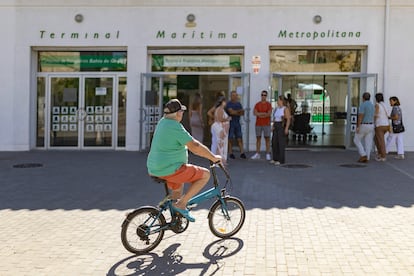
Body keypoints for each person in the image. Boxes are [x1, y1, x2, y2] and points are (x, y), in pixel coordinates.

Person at [147, 99, 222, 222]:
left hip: (155, 168)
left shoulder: (163, 122)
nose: (182, 114)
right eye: (181, 111)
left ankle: (174, 218)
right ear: (178, 114)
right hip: (170, 169)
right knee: (205, 175)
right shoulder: (175, 126)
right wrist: (213, 157)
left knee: (178, 190)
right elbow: (195, 147)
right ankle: (182, 204)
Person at [353, 92, 375, 163]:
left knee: (356, 140)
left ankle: (363, 154)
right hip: (371, 125)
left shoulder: (363, 105)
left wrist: (358, 126)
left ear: (363, 98)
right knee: (368, 142)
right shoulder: (372, 105)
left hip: (364, 125)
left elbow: (360, 116)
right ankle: (367, 158)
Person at [251, 90, 272, 161]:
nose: (263, 96)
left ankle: (268, 153)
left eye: (265, 95)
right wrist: (263, 114)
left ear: (266, 96)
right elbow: (254, 113)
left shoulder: (269, 104)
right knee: (258, 138)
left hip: (266, 124)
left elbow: (269, 113)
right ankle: (257, 153)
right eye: (262, 95)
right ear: (261, 95)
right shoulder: (257, 104)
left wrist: (260, 114)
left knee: (267, 139)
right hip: (258, 124)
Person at [270, 95, 291, 165]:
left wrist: (286, 128)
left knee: (281, 143)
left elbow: (288, 119)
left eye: (278, 100)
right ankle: (275, 158)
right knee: (274, 142)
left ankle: (281, 159)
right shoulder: (276, 109)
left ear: (281, 101)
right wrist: (273, 126)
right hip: (276, 125)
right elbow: (275, 118)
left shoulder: (285, 109)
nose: (277, 101)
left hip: (281, 125)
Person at [226, 91, 246, 159]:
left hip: (237, 122)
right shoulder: (228, 104)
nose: (234, 97)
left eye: (235, 95)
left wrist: (236, 112)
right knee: (230, 138)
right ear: (230, 96)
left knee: (239, 138)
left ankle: (242, 152)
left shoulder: (238, 104)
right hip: (231, 123)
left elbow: (242, 113)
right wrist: (238, 111)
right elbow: (231, 112)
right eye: (233, 95)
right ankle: (230, 152)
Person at [211, 96, 231, 165]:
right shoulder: (220, 109)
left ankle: (220, 160)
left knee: (219, 144)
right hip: (220, 128)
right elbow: (220, 119)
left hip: (220, 128)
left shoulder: (220, 109)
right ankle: (219, 161)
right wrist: (228, 119)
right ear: (222, 102)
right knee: (220, 144)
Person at [373, 93, 389, 162]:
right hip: (386, 125)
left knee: (381, 141)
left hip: (379, 125)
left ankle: (383, 156)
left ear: (376, 98)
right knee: (376, 139)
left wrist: (373, 122)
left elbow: (376, 115)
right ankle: (380, 153)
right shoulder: (385, 105)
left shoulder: (377, 105)